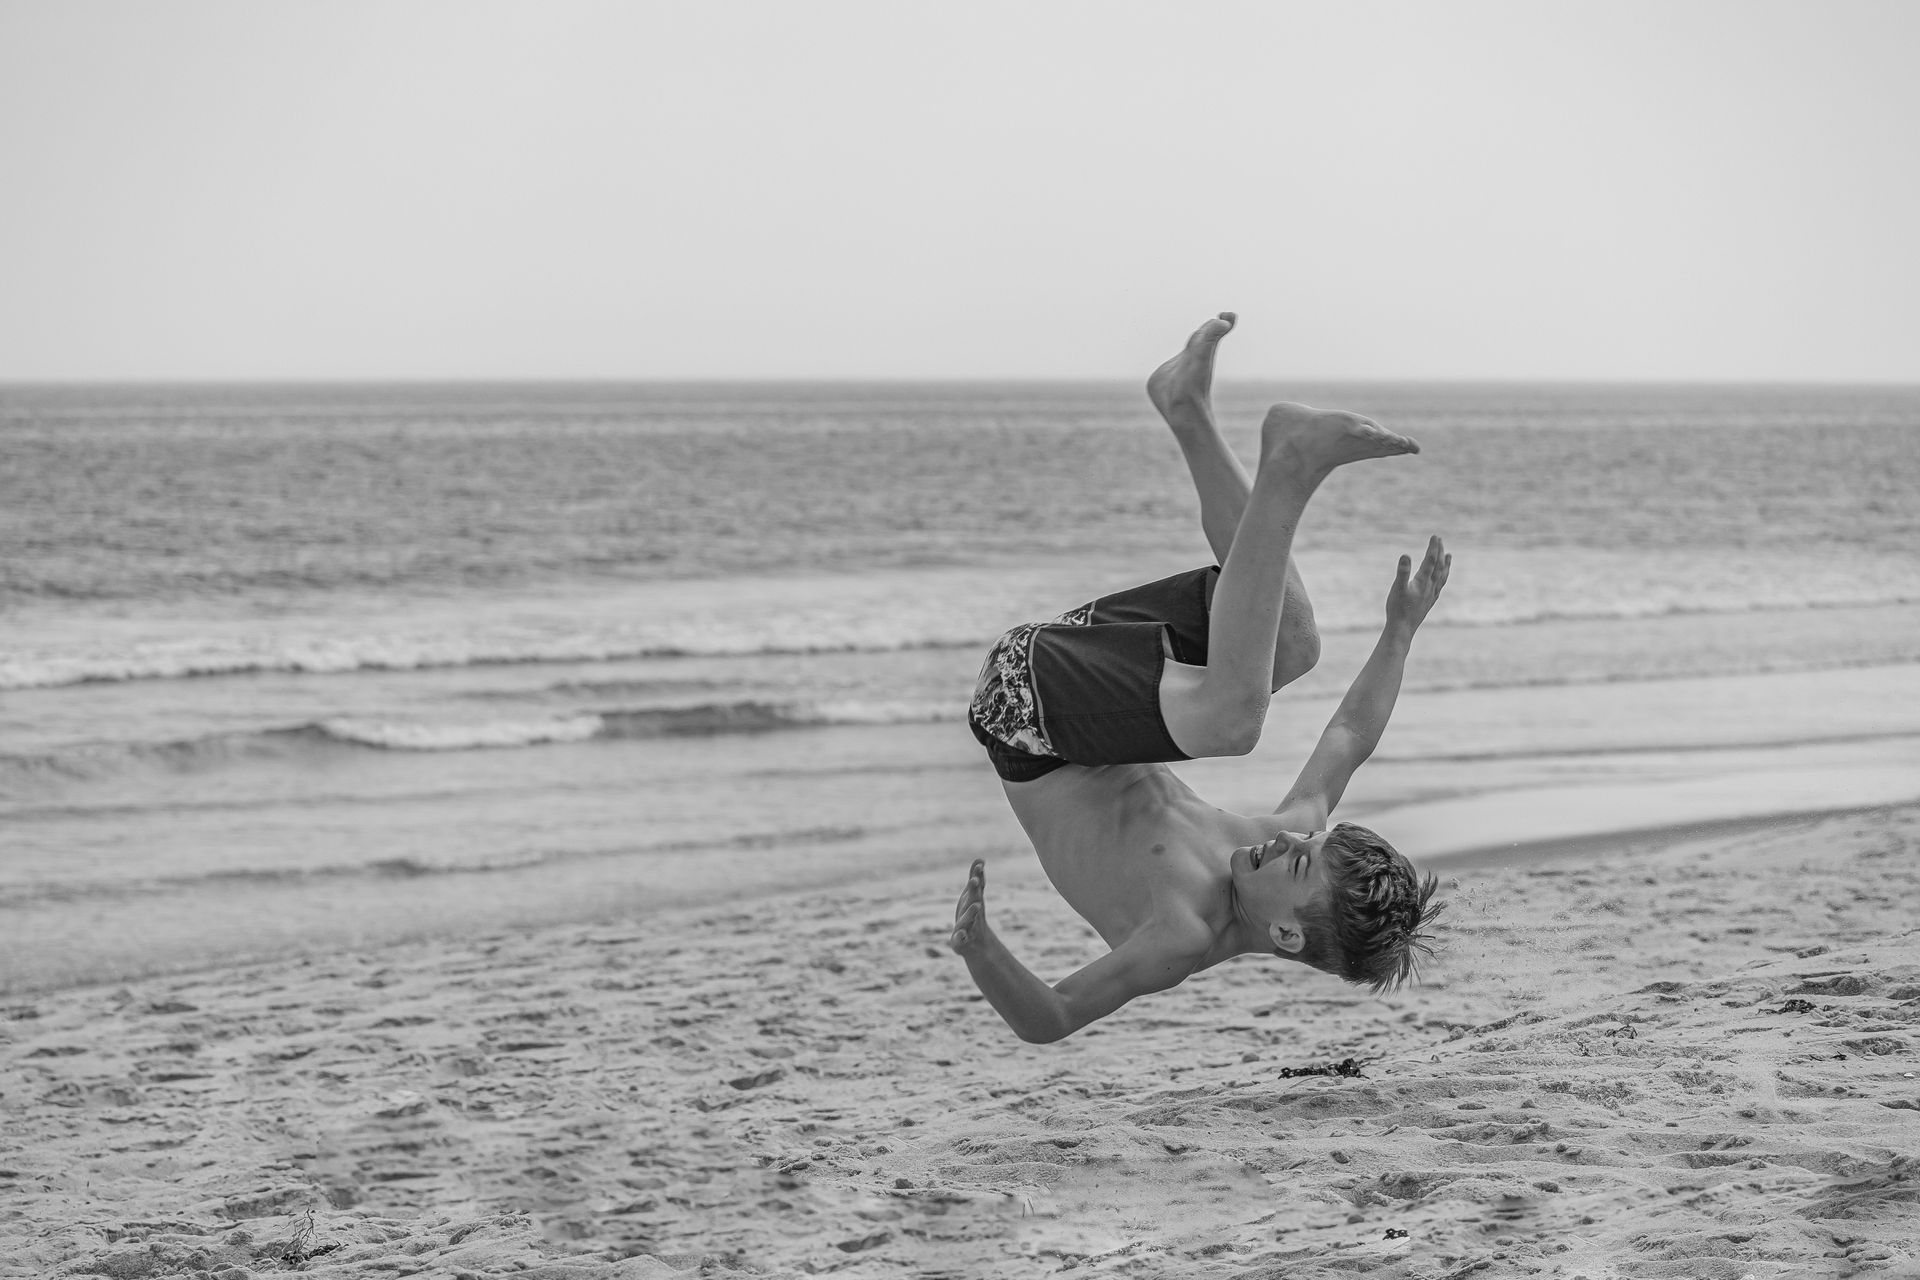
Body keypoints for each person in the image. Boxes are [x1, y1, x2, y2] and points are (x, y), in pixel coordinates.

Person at [951, 313, 1448, 1043]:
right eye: (1309, 843)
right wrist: (1400, 631)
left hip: (1022, 713)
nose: (1289, 843)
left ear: (1284, 933)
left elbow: (1052, 1017)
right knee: (1293, 643)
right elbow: (1348, 736)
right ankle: (1187, 409)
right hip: (1074, 676)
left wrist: (981, 950)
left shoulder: (1180, 934)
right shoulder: (1273, 843)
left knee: (1231, 721)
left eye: (1299, 864)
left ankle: (1290, 466)